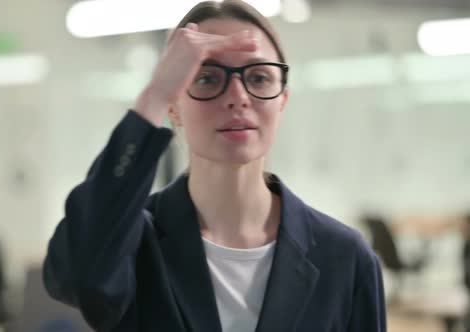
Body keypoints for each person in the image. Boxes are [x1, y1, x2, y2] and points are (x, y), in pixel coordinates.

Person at [43, 1, 386, 331]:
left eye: (258, 78)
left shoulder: (345, 258)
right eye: (207, 78)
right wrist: (153, 97)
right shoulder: (133, 246)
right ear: (174, 107)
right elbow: (75, 276)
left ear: (282, 101)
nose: (237, 96)